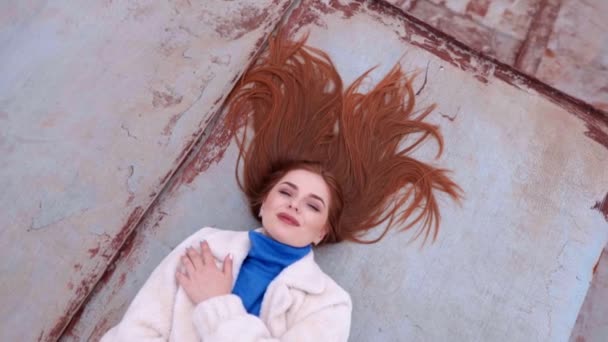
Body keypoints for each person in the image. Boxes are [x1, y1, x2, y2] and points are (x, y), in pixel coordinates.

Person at [100, 31, 461, 341]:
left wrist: (215, 303)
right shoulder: (204, 245)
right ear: (263, 202)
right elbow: (140, 325)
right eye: (286, 192)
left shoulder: (328, 303)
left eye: (313, 205)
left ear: (323, 232)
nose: (294, 205)